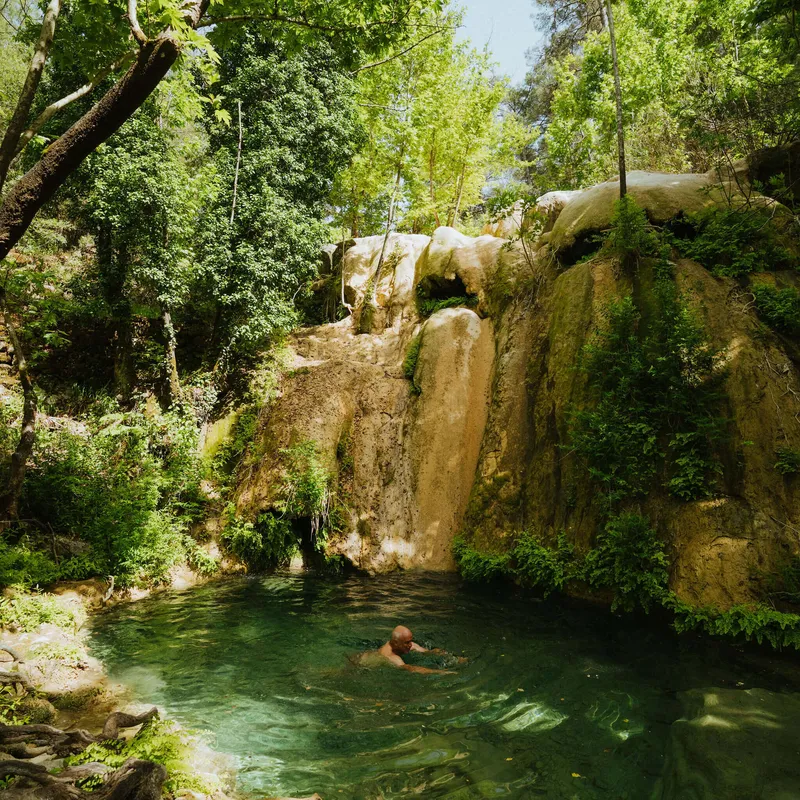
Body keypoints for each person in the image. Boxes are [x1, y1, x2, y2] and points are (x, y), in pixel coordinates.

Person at [375, 625, 461, 674]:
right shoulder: (391, 656)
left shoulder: (403, 644)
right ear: (396, 643)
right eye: (407, 643)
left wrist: (456, 658)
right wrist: (440, 672)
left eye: (410, 641)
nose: (410, 645)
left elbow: (428, 652)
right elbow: (410, 668)